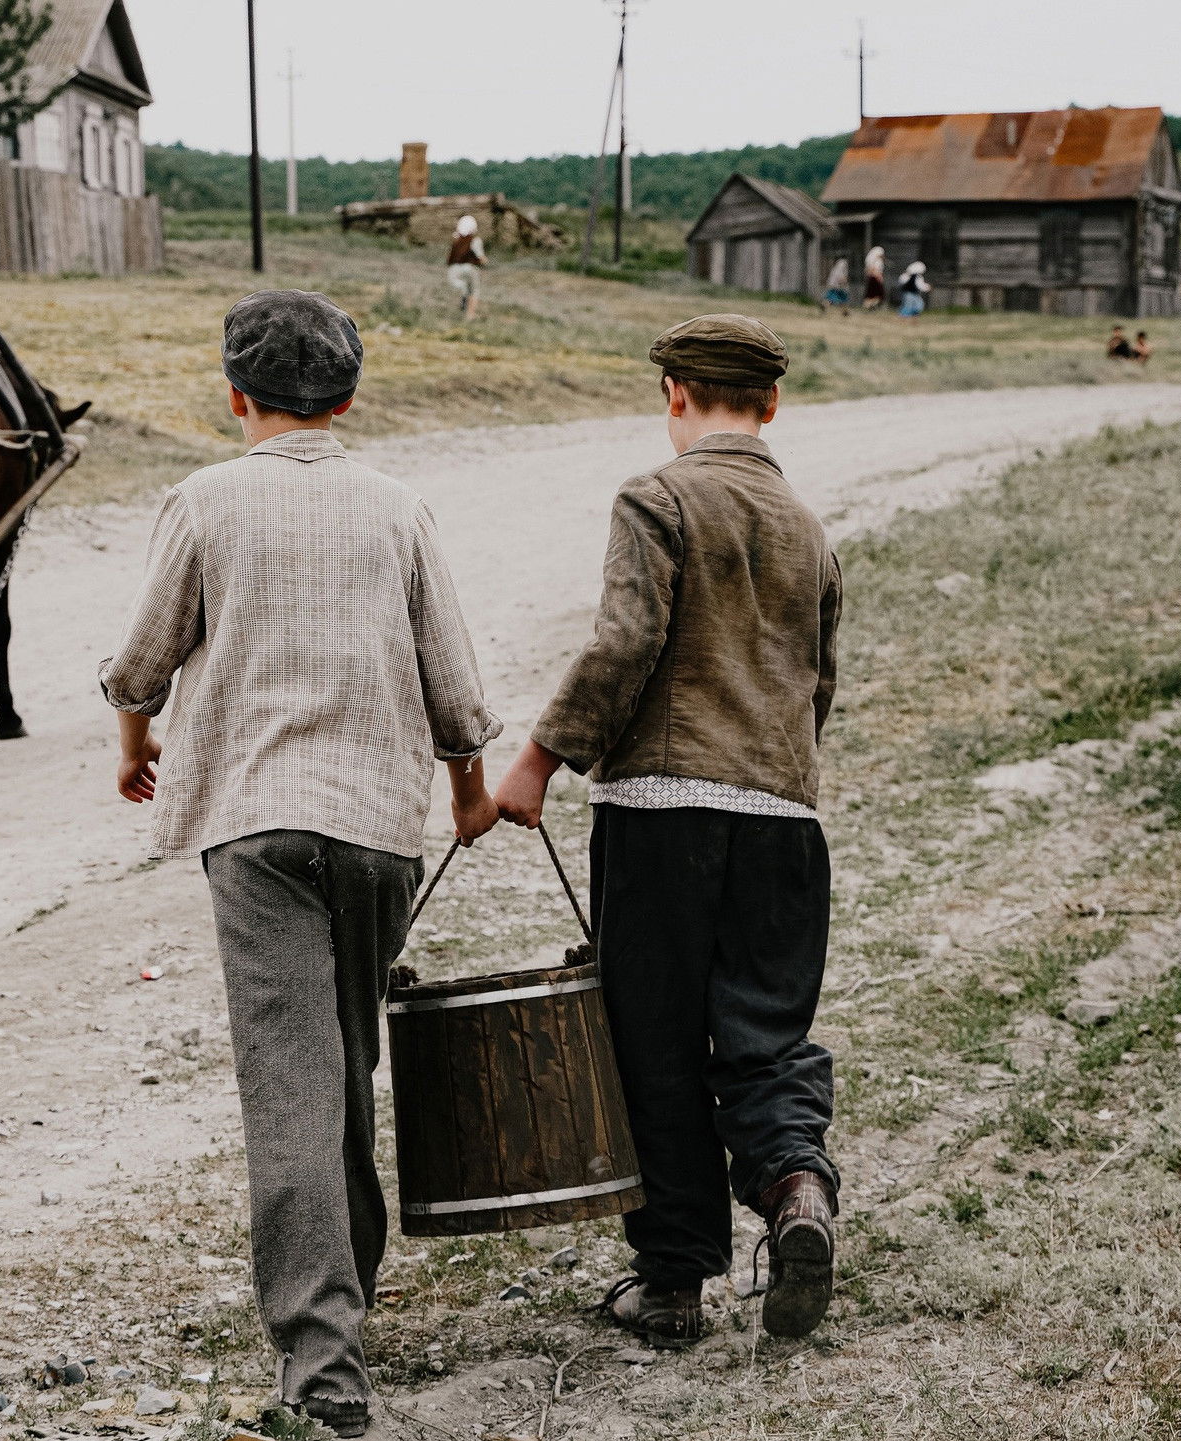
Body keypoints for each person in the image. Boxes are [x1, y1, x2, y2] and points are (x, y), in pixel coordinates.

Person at [99, 290, 502, 1437]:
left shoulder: (204, 500)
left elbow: (143, 659)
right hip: (377, 826)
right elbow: (455, 684)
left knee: (287, 1076)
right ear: (350, 397)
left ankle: (323, 1366)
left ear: (235, 395)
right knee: (343, 1060)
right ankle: (345, 1295)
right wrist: (468, 792)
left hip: (258, 828)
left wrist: (139, 747)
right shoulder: (397, 506)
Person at [492, 314, 842, 1347]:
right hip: (782, 818)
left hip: (658, 813)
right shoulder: (809, 526)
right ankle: (795, 1195)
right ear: (771, 404)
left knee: (653, 1046)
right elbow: (820, 683)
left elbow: (626, 641)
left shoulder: (657, 498)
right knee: (765, 1038)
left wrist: (540, 758)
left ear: (673, 395)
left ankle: (676, 1281)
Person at [446, 213, 487, 322]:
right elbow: (481, 257)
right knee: (473, 291)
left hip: (454, 269)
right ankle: (470, 315)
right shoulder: (474, 240)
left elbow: (450, 257)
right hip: (469, 268)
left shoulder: (456, 240)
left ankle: (458, 311)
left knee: (463, 289)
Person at [861, 245, 887, 311]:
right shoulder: (874, 261)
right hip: (874, 278)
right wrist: (879, 277)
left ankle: (870, 306)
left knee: (874, 294)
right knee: (876, 294)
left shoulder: (876, 260)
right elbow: (873, 270)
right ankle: (869, 306)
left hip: (873, 278)